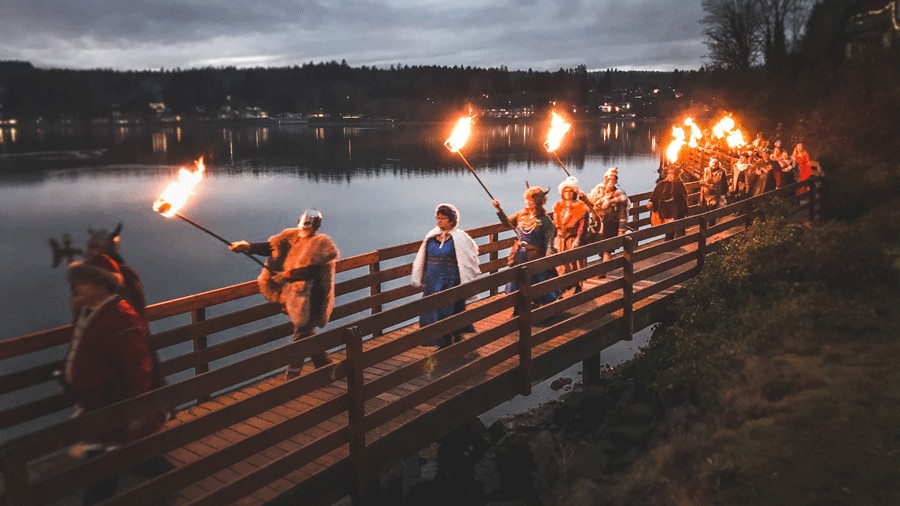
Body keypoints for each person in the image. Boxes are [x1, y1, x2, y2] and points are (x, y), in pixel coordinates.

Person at [64, 254, 165, 503]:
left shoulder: (121, 317)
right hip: (99, 409)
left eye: (85, 282)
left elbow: (137, 368)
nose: (77, 286)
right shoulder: (92, 312)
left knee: (106, 474)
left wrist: (137, 411)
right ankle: (171, 485)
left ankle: (172, 484)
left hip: (113, 410)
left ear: (102, 285)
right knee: (130, 460)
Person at [230, 209, 339, 379]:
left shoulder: (321, 244)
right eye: (303, 224)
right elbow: (272, 247)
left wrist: (285, 275)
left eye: (309, 225)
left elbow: (310, 271)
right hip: (296, 297)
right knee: (306, 333)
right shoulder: (291, 237)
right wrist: (248, 246)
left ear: (316, 226)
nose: (304, 228)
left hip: (312, 299)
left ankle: (292, 377)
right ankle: (325, 367)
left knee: (301, 335)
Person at [410, 203, 481, 348]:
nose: (439, 221)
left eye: (443, 218)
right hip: (432, 279)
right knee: (430, 309)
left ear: (452, 220)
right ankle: (433, 340)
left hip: (449, 280)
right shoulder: (431, 236)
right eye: (438, 218)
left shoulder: (459, 238)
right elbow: (422, 256)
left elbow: (468, 257)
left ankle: (446, 342)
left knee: (445, 310)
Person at [491, 185, 560, 309]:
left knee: (535, 280)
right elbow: (507, 223)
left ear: (538, 202)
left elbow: (550, 239)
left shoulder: (545, 220)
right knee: (517, 279)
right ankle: (518, 308)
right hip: (519, 254)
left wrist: (549, 254)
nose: (527, 202)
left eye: (531, 200)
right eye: (526, 200)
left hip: (535, 255)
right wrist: (498, 209)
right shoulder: (521, 215)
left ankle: (537, 305)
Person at [86, 223, 146, 315]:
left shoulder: (125, 275)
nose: (90, 251)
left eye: (94, 247)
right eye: (90, 247)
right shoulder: (89, 275)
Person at [583, 167, 630, 264]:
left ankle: (604, 271)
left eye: (613, 180)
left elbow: (622, 215)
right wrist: (583, 198)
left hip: (611, 225)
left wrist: (621, 231)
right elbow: (591, 204)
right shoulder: (597, 194)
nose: (611, 182)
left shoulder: (618, 197)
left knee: (607, 250)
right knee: (597, 247)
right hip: (598, 225)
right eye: (609, 180)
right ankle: (600, 268)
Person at [552, 176, 590, 293]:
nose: (567, 193)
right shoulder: (558, 206)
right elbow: (554, 223)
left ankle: (577, 285)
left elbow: (582, 226)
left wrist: (578, 239)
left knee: (574, 263)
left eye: (570, 191)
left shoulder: (581, 208)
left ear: (574, 192)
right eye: (565, 190)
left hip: (572, 239)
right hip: (560, 239)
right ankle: (562, 285)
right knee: (560, 264)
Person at [647, 165, 689, 240]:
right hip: (665, 210)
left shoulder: (679, 184)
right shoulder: (661, 184)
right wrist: (651, 202)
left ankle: (678, 243)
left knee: (678, 230)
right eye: (669, 174)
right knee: (668, 230)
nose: (670, 176)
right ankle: (669, 243)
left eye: (672, 175)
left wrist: (680, 212)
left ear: (676, 176)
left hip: (676, 209)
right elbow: (655, 196)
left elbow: (683, 198)